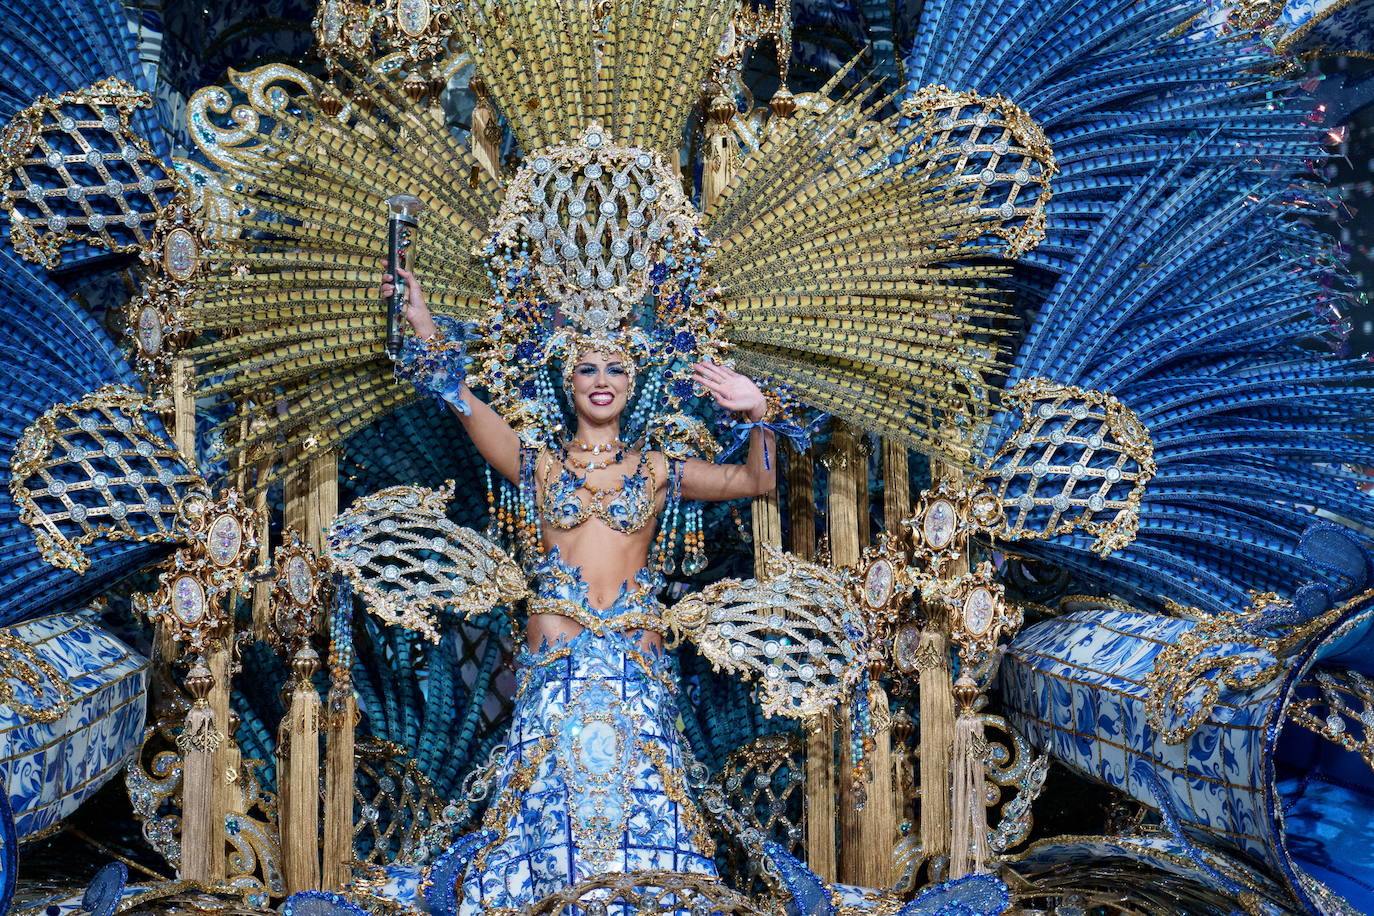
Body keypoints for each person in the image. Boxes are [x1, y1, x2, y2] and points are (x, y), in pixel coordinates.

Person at [379, 265, 777, 912]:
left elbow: (759, 483)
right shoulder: (536, 465)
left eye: (615, 369)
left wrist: (760, 412)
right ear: (570, 382)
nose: (601, 381)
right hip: (553, 679)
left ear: (631, 383)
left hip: (633, 678)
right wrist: (423, 325)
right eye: (588, 368)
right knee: (544, 824)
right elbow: (460, 398)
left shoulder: (655, 470)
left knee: (645, 815)